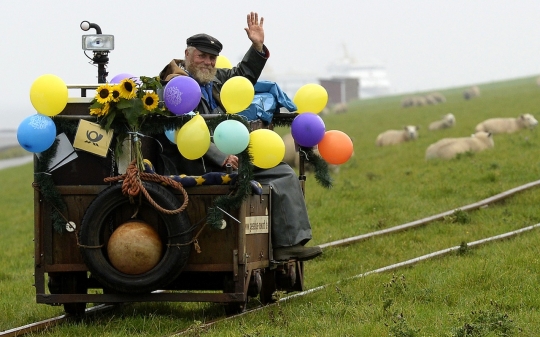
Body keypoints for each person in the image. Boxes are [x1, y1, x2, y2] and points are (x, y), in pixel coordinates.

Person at [157, 12, 321, 262]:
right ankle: (285, 244)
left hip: (228, 156)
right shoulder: (174, 85)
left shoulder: (214, 80)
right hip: (194, 162)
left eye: (212, 58)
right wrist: (222, 156)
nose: (208, 62)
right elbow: (183, 130)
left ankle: (288, 244)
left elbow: (243, 76)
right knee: (281, 173)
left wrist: (256, 46)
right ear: (187, 55)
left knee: (282, 172)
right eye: (202, 56)